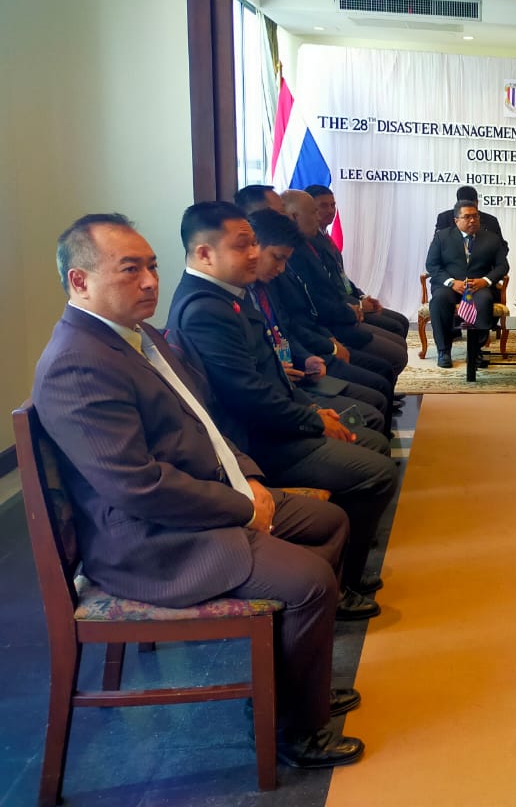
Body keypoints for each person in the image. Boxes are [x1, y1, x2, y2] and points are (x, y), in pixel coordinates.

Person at [32, 213, 364, 767]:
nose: (150, 282)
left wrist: (249, 479)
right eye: (130, 270)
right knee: (310, 582)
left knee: (329, 523)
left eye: (152, 267)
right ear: (80, 281)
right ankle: (296, 729)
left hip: (200, 498)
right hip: (152, 542)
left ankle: (290, 681)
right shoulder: (76, 363)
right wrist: (241, 508)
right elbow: (139, 487)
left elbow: (204, 421)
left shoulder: (137, 337)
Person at [167, 202, 397, 619]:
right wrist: (312, 420)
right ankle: (340, 585)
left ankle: (345, 565)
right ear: (204, 253)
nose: (254, 253)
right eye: (242, 245)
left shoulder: (227, 297)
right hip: (257, 444)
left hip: (274, 423)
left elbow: (269, 370)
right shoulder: (205, 309)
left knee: (370, 440)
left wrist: (313, 410)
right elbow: (246, 396)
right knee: (377, 472)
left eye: (255, 244)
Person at [247, 208, 394, 433]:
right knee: (371, 411)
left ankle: (355, 439)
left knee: (375, 399)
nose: (281, 267)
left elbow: (287, 329)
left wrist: (306, 359)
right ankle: (355, 441)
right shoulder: (222, 303)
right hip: (279, 398)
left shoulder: (264, 284)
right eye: (278, 258)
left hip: (302, 365)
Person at [280, 189, 408, 381]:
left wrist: (361, 299)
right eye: (318, 209)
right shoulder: (294, 255)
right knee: (393, 356)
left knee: (398, 332)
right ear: (293, 216)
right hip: (331, 326)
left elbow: (340, 280)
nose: (325, 213)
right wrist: (353, 310)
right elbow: (315, 303)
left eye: (332, 205)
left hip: (339, 314)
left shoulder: (317, 241)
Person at [305, 183, 411, 338]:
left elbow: (342, 278)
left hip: (351, 300)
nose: (330, 210)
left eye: (333, 205)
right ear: (310, 209)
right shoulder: (310, 242)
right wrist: (359, 305)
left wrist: (362, 296)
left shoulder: (325, 237)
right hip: (341, 308)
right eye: (323, 206)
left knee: (402, 321)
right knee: (396, 327)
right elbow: (329, 288)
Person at [424, 200, 511, 368]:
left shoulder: (491, 239)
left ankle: (475, 350)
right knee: (439, 301)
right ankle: (444, 351)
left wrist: (485, 281)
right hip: (450, 286)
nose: (473, 220)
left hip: (478, 286)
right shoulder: (442, 237)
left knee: (484, 301)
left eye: (475, 216)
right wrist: (451, 282)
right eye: (467, 217)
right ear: (456, 220)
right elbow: (432, 265)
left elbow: (503, 266)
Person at [434, 184, 504, 241]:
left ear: (477, 203)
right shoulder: (445, 218)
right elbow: (437, 243)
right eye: (464, 205)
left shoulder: (491, 221)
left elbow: (502, 246)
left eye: (471, 205)